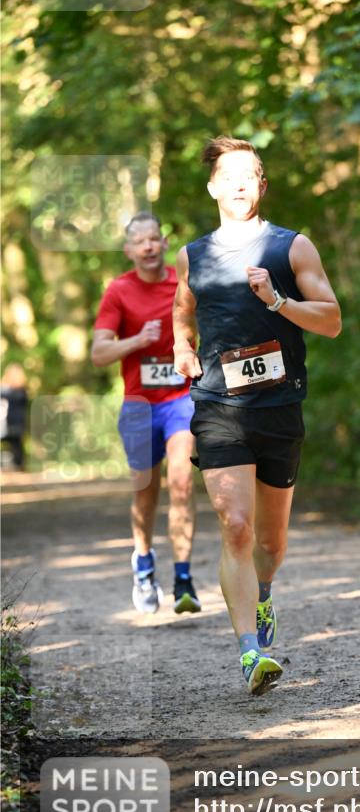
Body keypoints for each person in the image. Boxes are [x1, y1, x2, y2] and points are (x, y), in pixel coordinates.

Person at [173, 136, 341, 695]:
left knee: (270, 546)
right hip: (218, 406)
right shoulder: (192, 256)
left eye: (251, 176)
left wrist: (277, 302)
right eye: (231, 176)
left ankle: (263, 594)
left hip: (279, 406)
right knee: (236, 527)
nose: (241, 185)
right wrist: (182, 347)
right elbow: (182, 310)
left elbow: (332, 320)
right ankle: (250, 653)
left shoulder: (291, 247)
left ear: (262, 185)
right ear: (213, 186)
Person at [91, 212, 201, 616]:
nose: (149, 246)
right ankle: (143, 563)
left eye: (155, 238)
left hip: (180, 398)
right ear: (130, 250)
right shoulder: (118, 291)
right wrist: (138, 340)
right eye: (141, 241)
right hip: (139, 404)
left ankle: (185, 577)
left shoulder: (183, 283)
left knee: (182, 481)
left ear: (164, 243)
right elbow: (99, 353)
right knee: (145, 490)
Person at [0, 363, 29, 471]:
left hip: (16, 424)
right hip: (4, 424)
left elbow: (12, 396)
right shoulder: (6, 389)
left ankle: (19, 469)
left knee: (17, 447)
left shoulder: (20, 391)